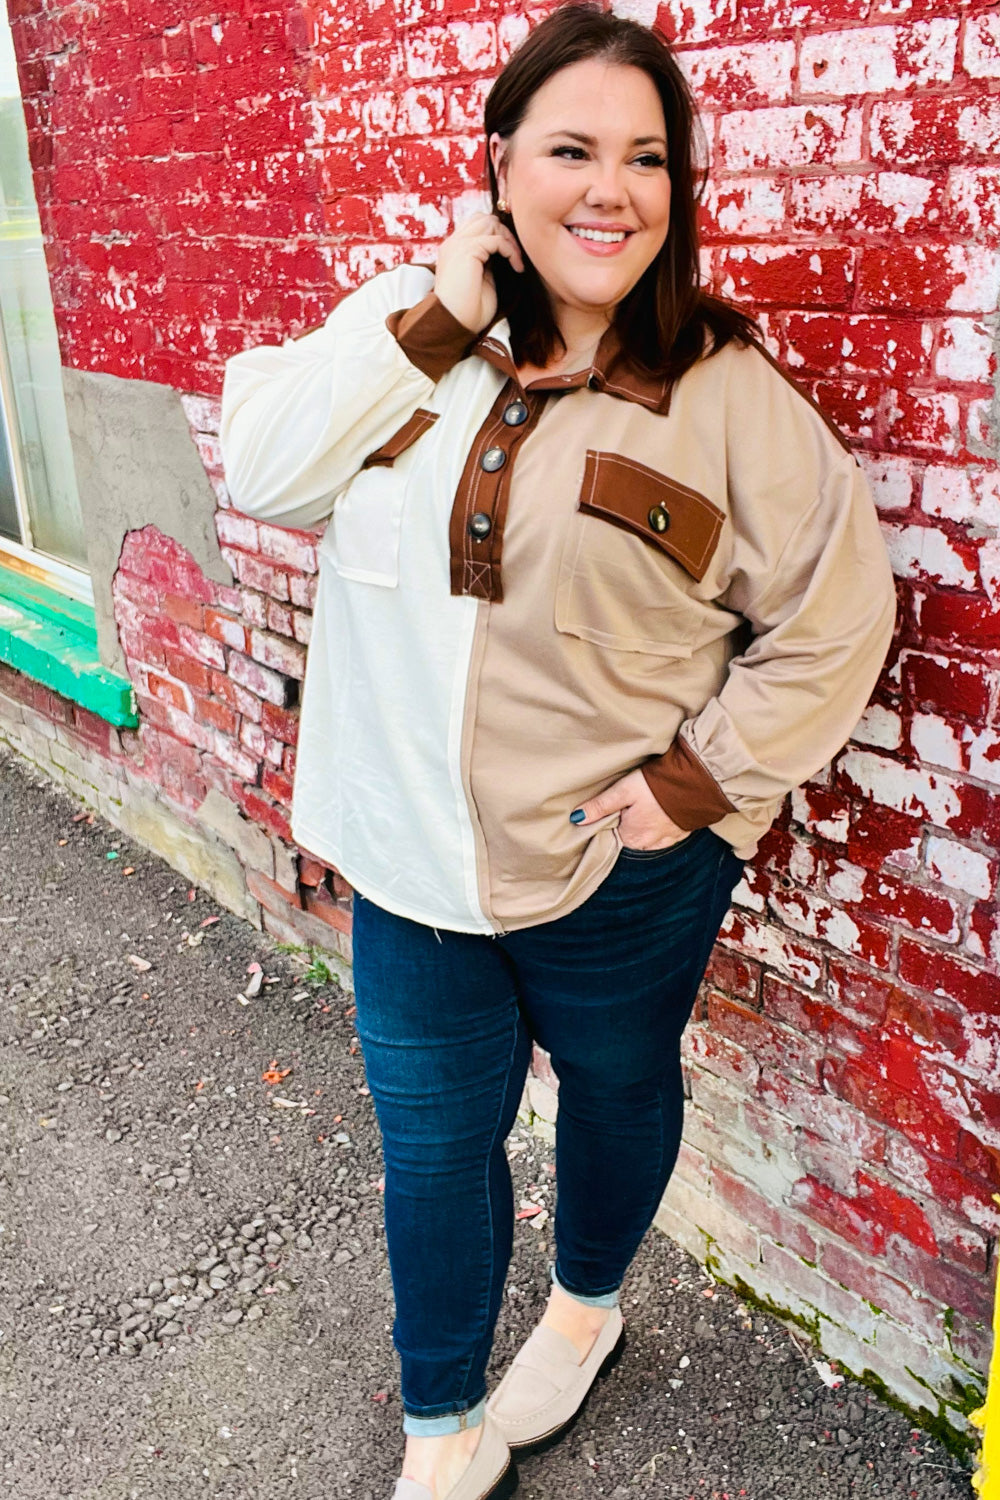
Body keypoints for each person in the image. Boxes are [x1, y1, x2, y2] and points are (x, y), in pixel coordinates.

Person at [219, 4, 897, 1495]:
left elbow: (841, 613)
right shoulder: (405, 328)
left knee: (617, 1090)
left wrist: (695, 788)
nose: (613, 190)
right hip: (411, 863)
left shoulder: (726, 394)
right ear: (499, 166)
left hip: (620, 870)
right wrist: (434, 321)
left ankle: (586, 1310)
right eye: (573, 149)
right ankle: (440, 1424)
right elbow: (263, 469)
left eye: (648, 158)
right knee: (433, 1148)